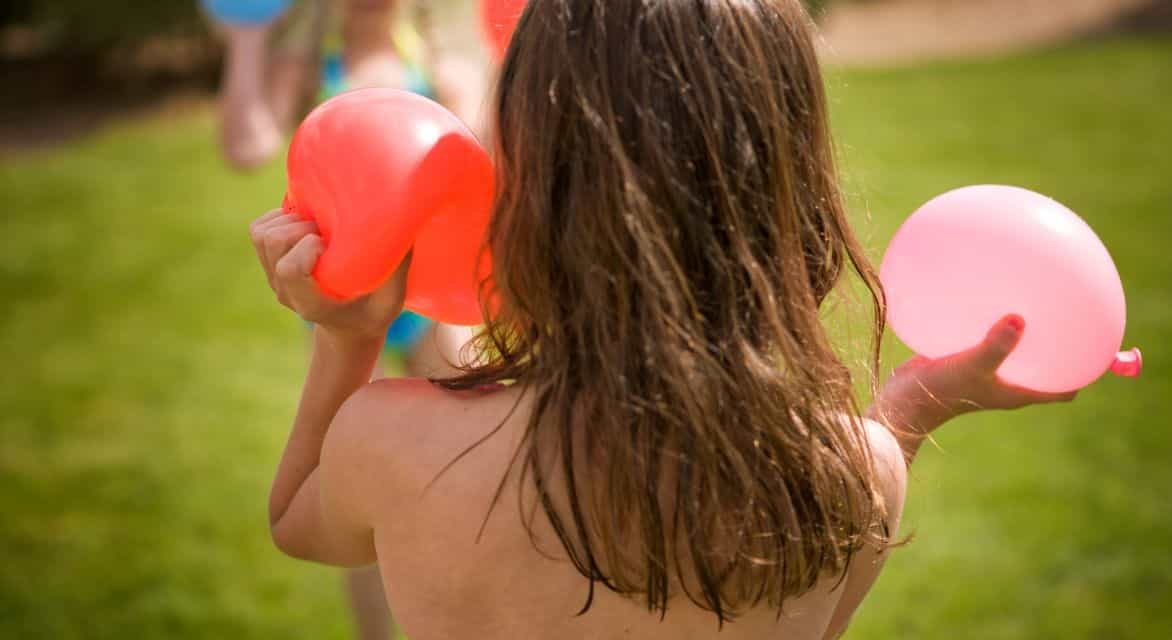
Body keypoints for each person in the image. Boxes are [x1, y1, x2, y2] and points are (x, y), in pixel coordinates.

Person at [247, 1, 1077, 638]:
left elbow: (297, 521)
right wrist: (911, 411)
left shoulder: (400, 445)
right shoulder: (850, 482)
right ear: (789, 188)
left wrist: (350, 333)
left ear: (528, 183)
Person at [208, 2, 482, 638]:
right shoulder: (305, 64)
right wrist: (246, 40)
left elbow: (474, 165)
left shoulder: (437, 59)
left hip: (430, 300)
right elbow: (247, 147)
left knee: (464, 467)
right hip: (341, 302)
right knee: (343, 491)